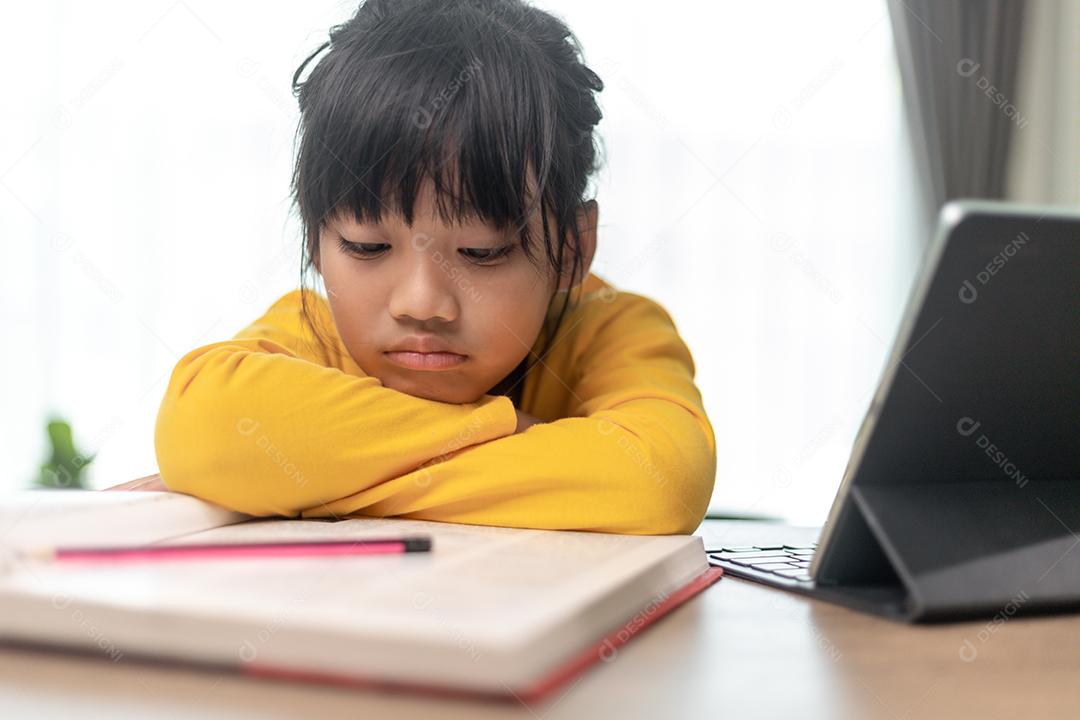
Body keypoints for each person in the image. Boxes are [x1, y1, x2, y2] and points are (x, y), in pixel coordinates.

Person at [152, 0, 716, 534]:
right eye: (368, 247)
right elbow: (205, 428)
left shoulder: (608, 328)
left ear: (572, 249)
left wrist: (313, 485)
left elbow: (661, 480)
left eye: (482, 252)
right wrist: (523, 436)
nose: (421, 303)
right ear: (317, 241)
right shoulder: (312, 333)